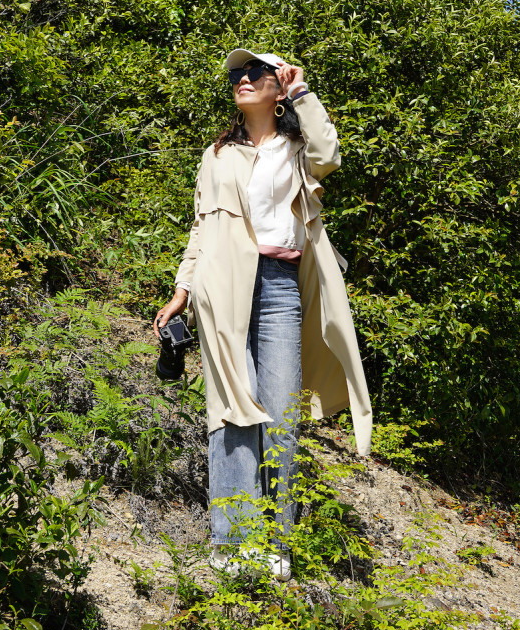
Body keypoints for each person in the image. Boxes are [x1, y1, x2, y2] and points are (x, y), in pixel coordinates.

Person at [154, 49, 372, 581]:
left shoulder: (296, 149)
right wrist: (182, 290)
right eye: (237, 74)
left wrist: (303, 92)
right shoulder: (217, 154)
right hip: (221, 285)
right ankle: (233, 542)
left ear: (278, 87)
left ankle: (277, 542)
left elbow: (329, 154)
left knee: (280, 414)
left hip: (280, 287)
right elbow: (201, 227)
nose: (243, 79)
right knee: (232, 407)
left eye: (255, 72)